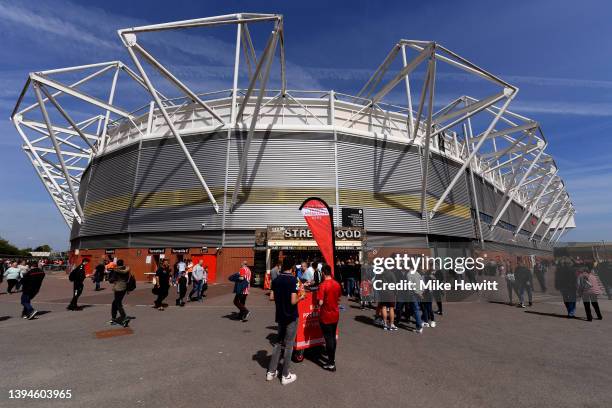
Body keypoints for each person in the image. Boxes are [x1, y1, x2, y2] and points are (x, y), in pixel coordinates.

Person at [266, 258, 305, 385]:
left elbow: (271, 297)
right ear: (292, 267)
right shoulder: (293, 280)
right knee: (289, 345)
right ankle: (285, 374)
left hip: (280, 315)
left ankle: (271, 372)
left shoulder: (276, 280)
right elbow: (293, 301)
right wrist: (301, 297)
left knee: (278, 343)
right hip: (291, 315)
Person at [318, 264, 342, 371]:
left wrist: (319, 303)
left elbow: (320, 302)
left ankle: (331, 362)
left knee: (328, 339)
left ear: (323, 273)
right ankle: (332, 358)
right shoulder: (337, 284)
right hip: (335, 314)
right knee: (332, 337)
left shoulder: (323, 285)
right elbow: (339, 297)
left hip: (326, 315)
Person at [111, 259, 130, 324]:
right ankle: (114, 318)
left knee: (117, 303)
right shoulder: (126, 270)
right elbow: (128, 278)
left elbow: (112, 279)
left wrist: (111, 279)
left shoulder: (116, 270)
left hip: (118, 287)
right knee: (115, 303)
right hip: (124, 287)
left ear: (117, 264)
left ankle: (124, 317)